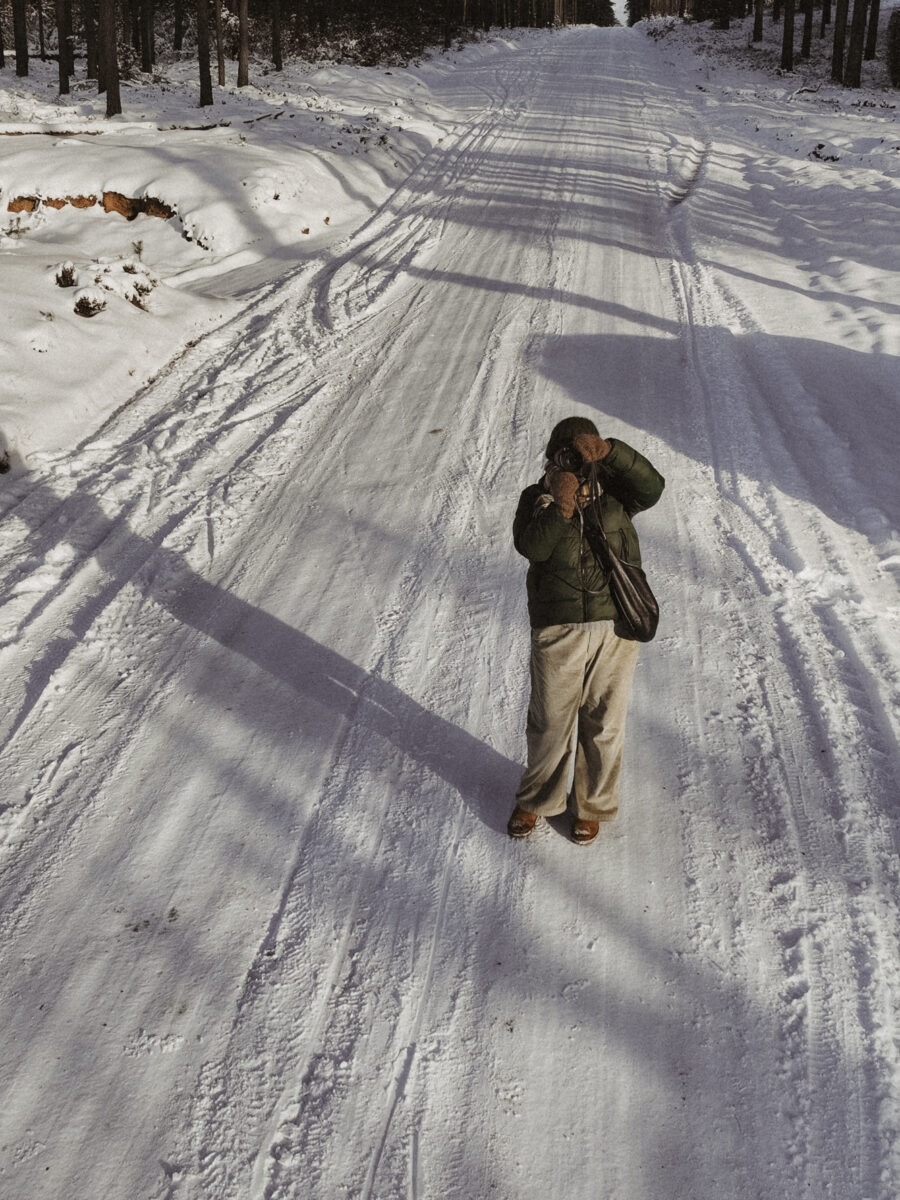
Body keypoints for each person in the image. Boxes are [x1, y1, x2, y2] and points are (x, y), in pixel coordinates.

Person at [507, 416, 665, 845]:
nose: (573, 464)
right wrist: (561, 506)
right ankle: (538, 799)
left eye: (581, 454)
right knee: (550, 723)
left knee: (604, 722)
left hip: (616, 627)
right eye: (565, 456)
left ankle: (592, 805)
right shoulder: (535, 498)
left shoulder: (616, 496)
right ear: (551, 459)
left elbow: (653, 487)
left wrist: (613, 452)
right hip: (558, 631)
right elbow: (532, 548)